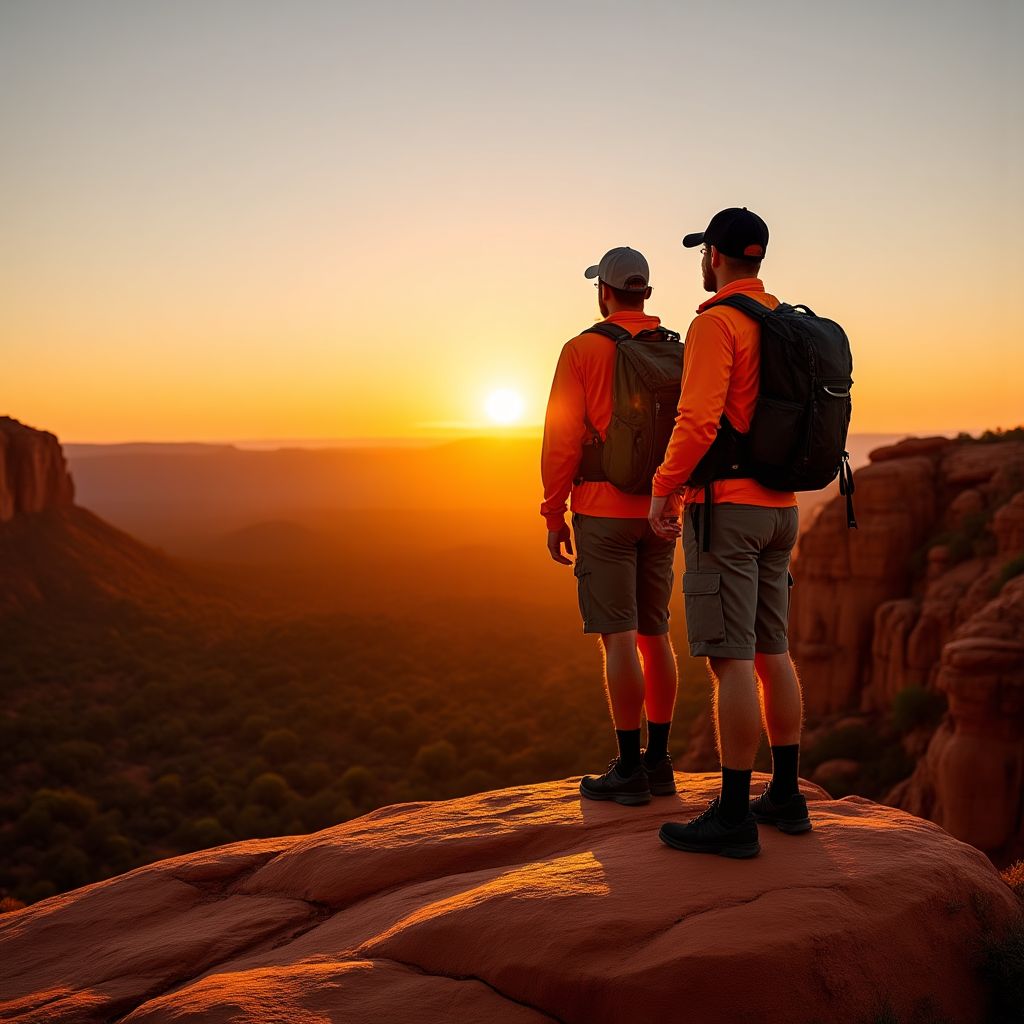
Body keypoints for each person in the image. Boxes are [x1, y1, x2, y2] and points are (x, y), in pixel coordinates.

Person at [647, 208, 811, 858]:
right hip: (783, 509)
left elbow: (697, 419)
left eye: (703, 253)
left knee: (730, 659)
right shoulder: (790, 324)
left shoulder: (717, 322)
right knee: (774, 649)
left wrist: (665, 490)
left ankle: (736, 816)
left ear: (713, 256)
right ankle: (787, 797)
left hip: (729, 511)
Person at [541, 246, 680, 806]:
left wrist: (554, 513)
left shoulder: (581, 350)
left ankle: (627, 768)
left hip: (602, 511)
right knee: (657, 634)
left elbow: (560, 439)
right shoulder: (675, 349)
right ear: (644, 292)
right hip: (662, 512)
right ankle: (661, 762)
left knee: (618, 637)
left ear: (603, 291)